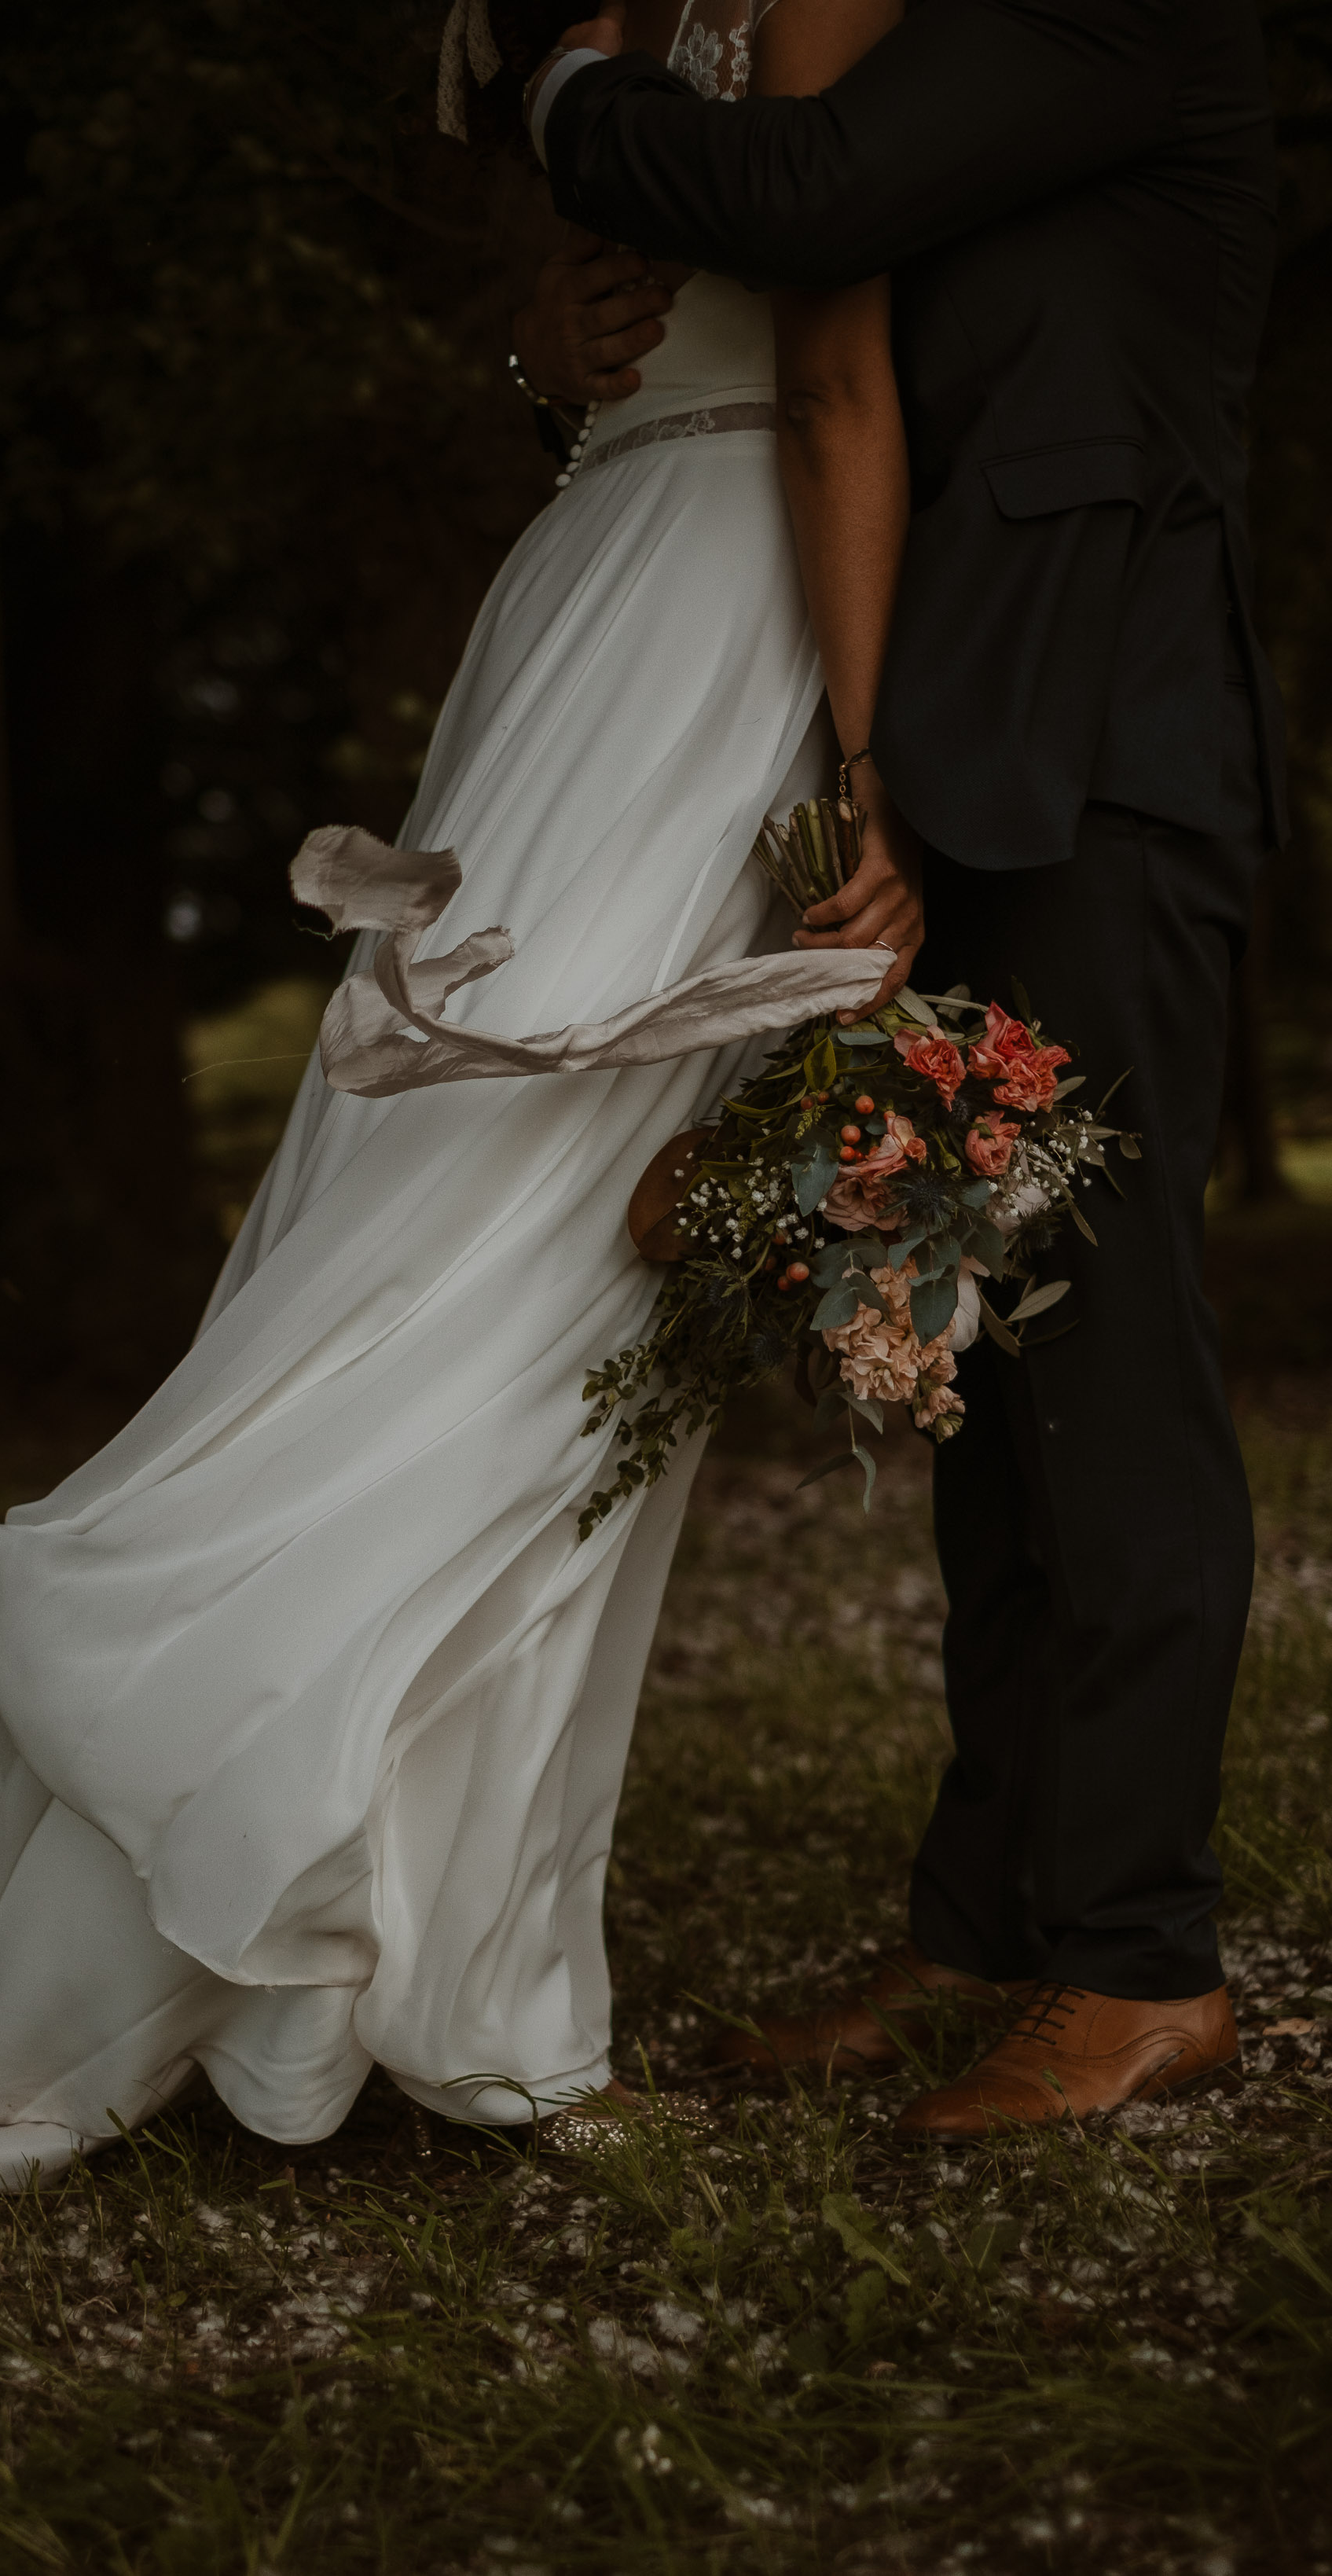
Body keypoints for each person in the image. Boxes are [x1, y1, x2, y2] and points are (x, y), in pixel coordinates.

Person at [0, 0, 914, 2192]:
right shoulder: (730, 13)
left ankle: (409, 1962)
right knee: (519, 1252)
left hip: (630, 602)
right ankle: (326, 1865)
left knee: (503, 1247)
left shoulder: (634, 26)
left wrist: (567, 360)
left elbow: (735, 335)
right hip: (707, 609)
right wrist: (881, 769)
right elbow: (832, 371)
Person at [522, 0, 1287, 2135]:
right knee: (995, 1364)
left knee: (1114, 1362)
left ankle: (1141, 1965)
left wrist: (564, 92)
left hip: (1109, 757)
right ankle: (985, 1926)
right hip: (978, 760)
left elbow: (809, 188)